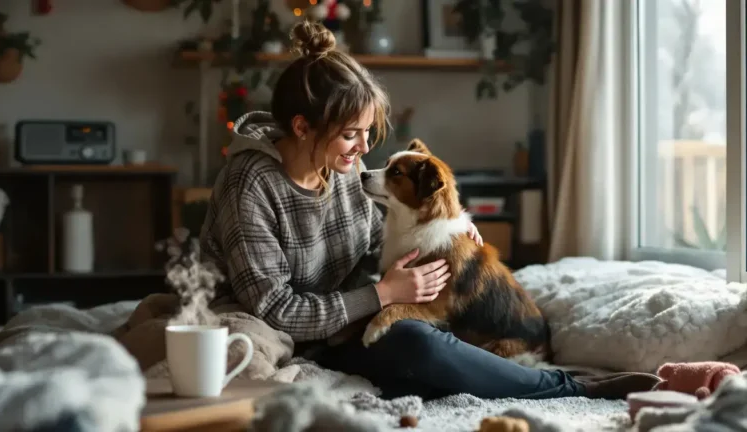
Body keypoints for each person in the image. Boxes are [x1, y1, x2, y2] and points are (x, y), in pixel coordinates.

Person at [199, 20, 661, 401]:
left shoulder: (342, 166)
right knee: (422, 352)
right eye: (350, 135)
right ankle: (571, 388)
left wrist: (450, 229)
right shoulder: (252, 185)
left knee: (426, 347)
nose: (363, 149)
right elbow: (277, 310)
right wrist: (381, 296)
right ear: (301, 127)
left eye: (367, 133)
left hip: (344, 327)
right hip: (283, 337)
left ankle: (551, 381)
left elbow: (377, 244)